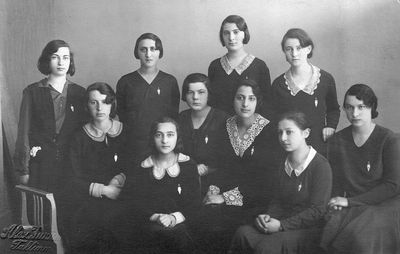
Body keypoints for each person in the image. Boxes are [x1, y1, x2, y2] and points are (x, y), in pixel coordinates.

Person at [230, 111, 332, 254]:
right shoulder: (283, 163)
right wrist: (268, 217)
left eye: (289, 132)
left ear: (306, 133)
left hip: (309, 230)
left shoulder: (320, 166)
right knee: (243, 233)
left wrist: (281, 225)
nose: (283, 138)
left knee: (266, 247)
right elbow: (278, 200)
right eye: (280, 133)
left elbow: (317, 211)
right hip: (281, 222)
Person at [199, 79, 282, 253]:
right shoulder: (225, 126)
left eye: (251, 99)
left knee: (229, 225)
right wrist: (214, 190)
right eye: (240, 98)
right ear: (233, 99)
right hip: (224, 194)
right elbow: (220, 166)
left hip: (257, 199)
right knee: (205, 215)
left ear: (258, 101)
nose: (245, 104)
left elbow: (266, 180)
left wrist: (226, 197)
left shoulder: (269, 131)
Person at [320, 84, 400, 254]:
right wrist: (335, 201)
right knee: (331, 226)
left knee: (358, 235)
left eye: (361, 107)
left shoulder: (389, 139)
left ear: (372, 108)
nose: (354, 113)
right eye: (349, 107)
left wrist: (349, 202)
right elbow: (335, 182)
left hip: (386, 204)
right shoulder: (338, 140)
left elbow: (393, 186)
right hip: (355, 205)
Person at [14, 39, 87, 193]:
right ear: (47, 60)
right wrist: (24, 169)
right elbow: (23, 133)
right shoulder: (32, 92)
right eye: (55, 57)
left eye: (66, 57)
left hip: (71, 166)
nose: (61, 62)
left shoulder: (80, 93)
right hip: (41, 165)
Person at [67, 82, 128, 252]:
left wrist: (118, 179)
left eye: (105, 101)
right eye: (94, 102)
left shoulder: (125, 131)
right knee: (96, 223)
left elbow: (134, 166)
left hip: (122, 194)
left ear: (112, 104)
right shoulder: (79, 137)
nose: (100, 107)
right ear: (87, 105)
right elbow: (72, 178)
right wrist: (104, 190)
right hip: (89, 200)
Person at [130, 117, 200, 253]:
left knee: (178, 236)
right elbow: (136, 203)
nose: (164, 140)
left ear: (177, 137)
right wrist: (157, 218)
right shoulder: (143, 167)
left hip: (182, 225)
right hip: (150, 225)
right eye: (159, 135)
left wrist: (173, 218)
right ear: (152, 138)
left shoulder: (188, 165)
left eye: (170, 135)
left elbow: (194, 203)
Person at [271, 28, 340, 155]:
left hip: (318, 144)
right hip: (289, 148)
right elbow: (274, 117)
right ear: (285, 53)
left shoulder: (325, 79)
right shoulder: (278, 84)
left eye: (299, 48)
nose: (294, 53)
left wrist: (331, 126)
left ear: (308, 49)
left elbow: (333, 109)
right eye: (289, 49)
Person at [116, 33, 180, 165]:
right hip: (134, 147)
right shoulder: (126, 82)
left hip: (163, 145)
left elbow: (173, 116)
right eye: (143, 49)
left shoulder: (169, 81)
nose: (148, 54)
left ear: (159, 52)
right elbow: (122, 116)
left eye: (153, 49)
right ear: (137, 52)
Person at [208, 15, 273, 118]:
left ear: (244, 34)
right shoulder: (215, 66)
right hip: (219, 127)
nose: (231, 37)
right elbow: (211, 103)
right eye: (226, 33)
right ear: (222, 36)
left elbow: (267, 104)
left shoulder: (259, 66)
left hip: (250, 128)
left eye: (236, 32)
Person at [179, 73, 229, 194]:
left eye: (201, 92)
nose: (195, 97)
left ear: (209, 94)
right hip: (183, 179)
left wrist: (208, 168)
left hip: (217, 182)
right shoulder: (180, 119)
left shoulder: (224, 119)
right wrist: (190, 168)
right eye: (190, 92)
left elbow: (229, 160)